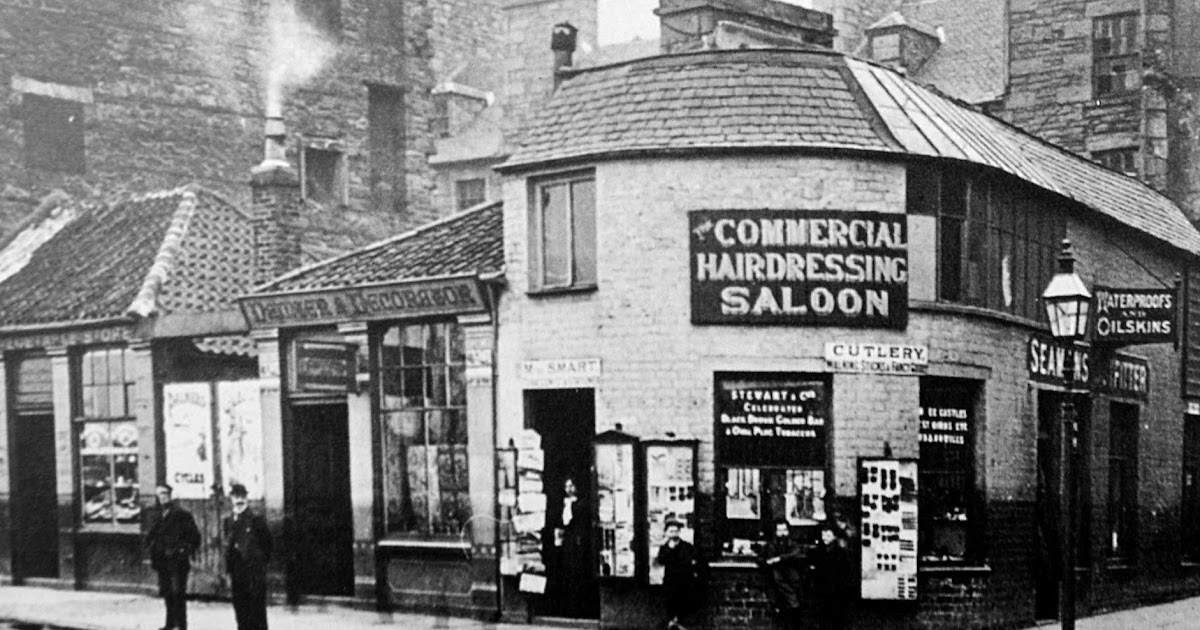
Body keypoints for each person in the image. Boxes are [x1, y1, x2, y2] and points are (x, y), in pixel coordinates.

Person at [145, 483, 201, 630]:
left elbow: (195, 537)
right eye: (159, 494)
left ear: (171, 495)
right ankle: (170, 624)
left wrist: (183, 550)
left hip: (177, 561)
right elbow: (151, 534)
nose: (162, 497)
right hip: (162, 560)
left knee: (178, 594)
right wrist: (152, 547)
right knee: (167, 593)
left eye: (165, 493)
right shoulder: (156, 514)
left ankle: (182, 625)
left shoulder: (182, 515)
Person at [225, 483, 273, 630]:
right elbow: (228, 547)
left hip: (253, 573)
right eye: (235, 497)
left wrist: (259, 565)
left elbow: (268, 544)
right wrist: (229, 570)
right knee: (240, 610)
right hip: (237, 572)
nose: (239, 500)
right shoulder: (228, 521)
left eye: (242, 497)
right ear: (231, 499)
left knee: (257, 612)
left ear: (246, 498)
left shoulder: (256, 520)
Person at [758, 520, 806, 630]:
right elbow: (761, 558)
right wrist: (766, 563)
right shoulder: (770, 545)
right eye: (779, 530)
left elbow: (796, 555)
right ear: (775, 532)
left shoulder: (793, 544)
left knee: (794, 610)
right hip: (777, 585)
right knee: (780, 616)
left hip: (791, 583)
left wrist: (779, 559)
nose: (782, 533)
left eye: (784, 530)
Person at [808, 522, 855, 630]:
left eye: (828, 535)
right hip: (823, 589)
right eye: (823, 535)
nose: (825, 538)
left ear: (834, 536)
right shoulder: (819, 550)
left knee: (836, 620)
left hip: (837, 590)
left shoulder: (841, 552)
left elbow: (846, 573)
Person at [656, 519, 699, 629]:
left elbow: (692, 561)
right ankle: (672, 622)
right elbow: (661, 560)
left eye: (676, 531)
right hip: (670, 581)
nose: (673, 534)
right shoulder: (665, 547)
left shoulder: (687, 546)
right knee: (670, 604)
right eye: (671, 531)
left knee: (683, 605)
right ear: (666, 533)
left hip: (684, 581)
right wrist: (670, 549)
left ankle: (680, 623)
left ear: (679, 532)